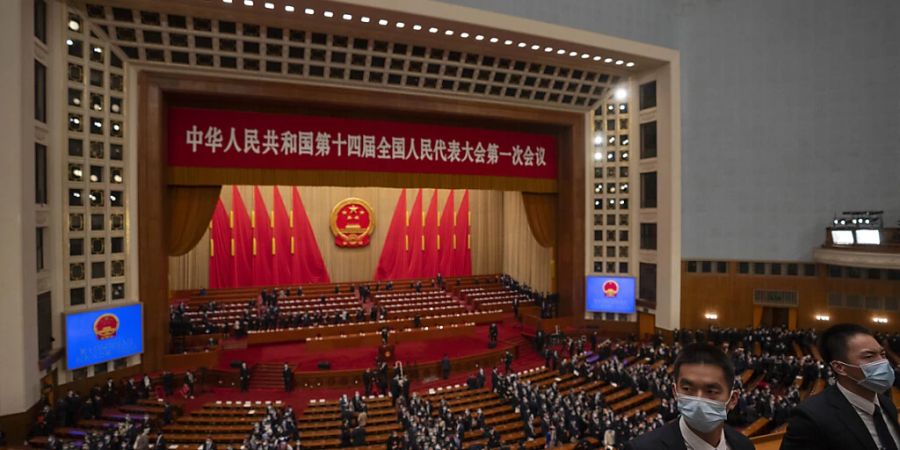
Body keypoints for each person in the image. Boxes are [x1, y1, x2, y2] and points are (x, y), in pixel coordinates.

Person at [781, 323, 899, 450]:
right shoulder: (811, 417)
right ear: (840, 367)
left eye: (882, 354)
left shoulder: (887, 405)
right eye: (869, 356)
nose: (883, 362)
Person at [624, 343, 755, 450]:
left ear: (732, 399)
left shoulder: (744, 446)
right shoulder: (641, 448)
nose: (698, 400)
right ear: (675, 393)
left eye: (711, 391)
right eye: (687, 389)